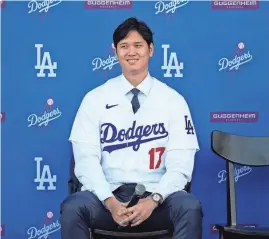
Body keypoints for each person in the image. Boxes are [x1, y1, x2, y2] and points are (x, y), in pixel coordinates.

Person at [60, 17, 203, 239]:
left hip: (157, 199)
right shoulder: (95, 99)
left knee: (189, 207)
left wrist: (154, 200)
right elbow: (85, 161)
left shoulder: (173, 101)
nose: (131, 52)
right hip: (107, 198)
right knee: (73, 207)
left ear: (151, 49)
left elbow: (180, 166)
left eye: (138, 45)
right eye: (124, 46)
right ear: (115, 51)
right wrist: (110, 202)